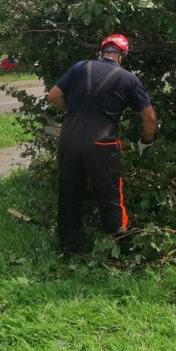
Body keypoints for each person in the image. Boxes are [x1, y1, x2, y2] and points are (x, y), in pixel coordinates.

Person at [46, 34, 157, 254]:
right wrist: (147, 141)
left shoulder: (80, 67)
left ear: (102, 51)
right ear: (122, 56)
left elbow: (53, 96)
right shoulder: (128, 79)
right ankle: (119, 246)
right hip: (102, 144)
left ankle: (69, 248)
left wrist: (73, 111)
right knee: (111, 196)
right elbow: (150, 119)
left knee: (69, 192)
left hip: (69, 139)